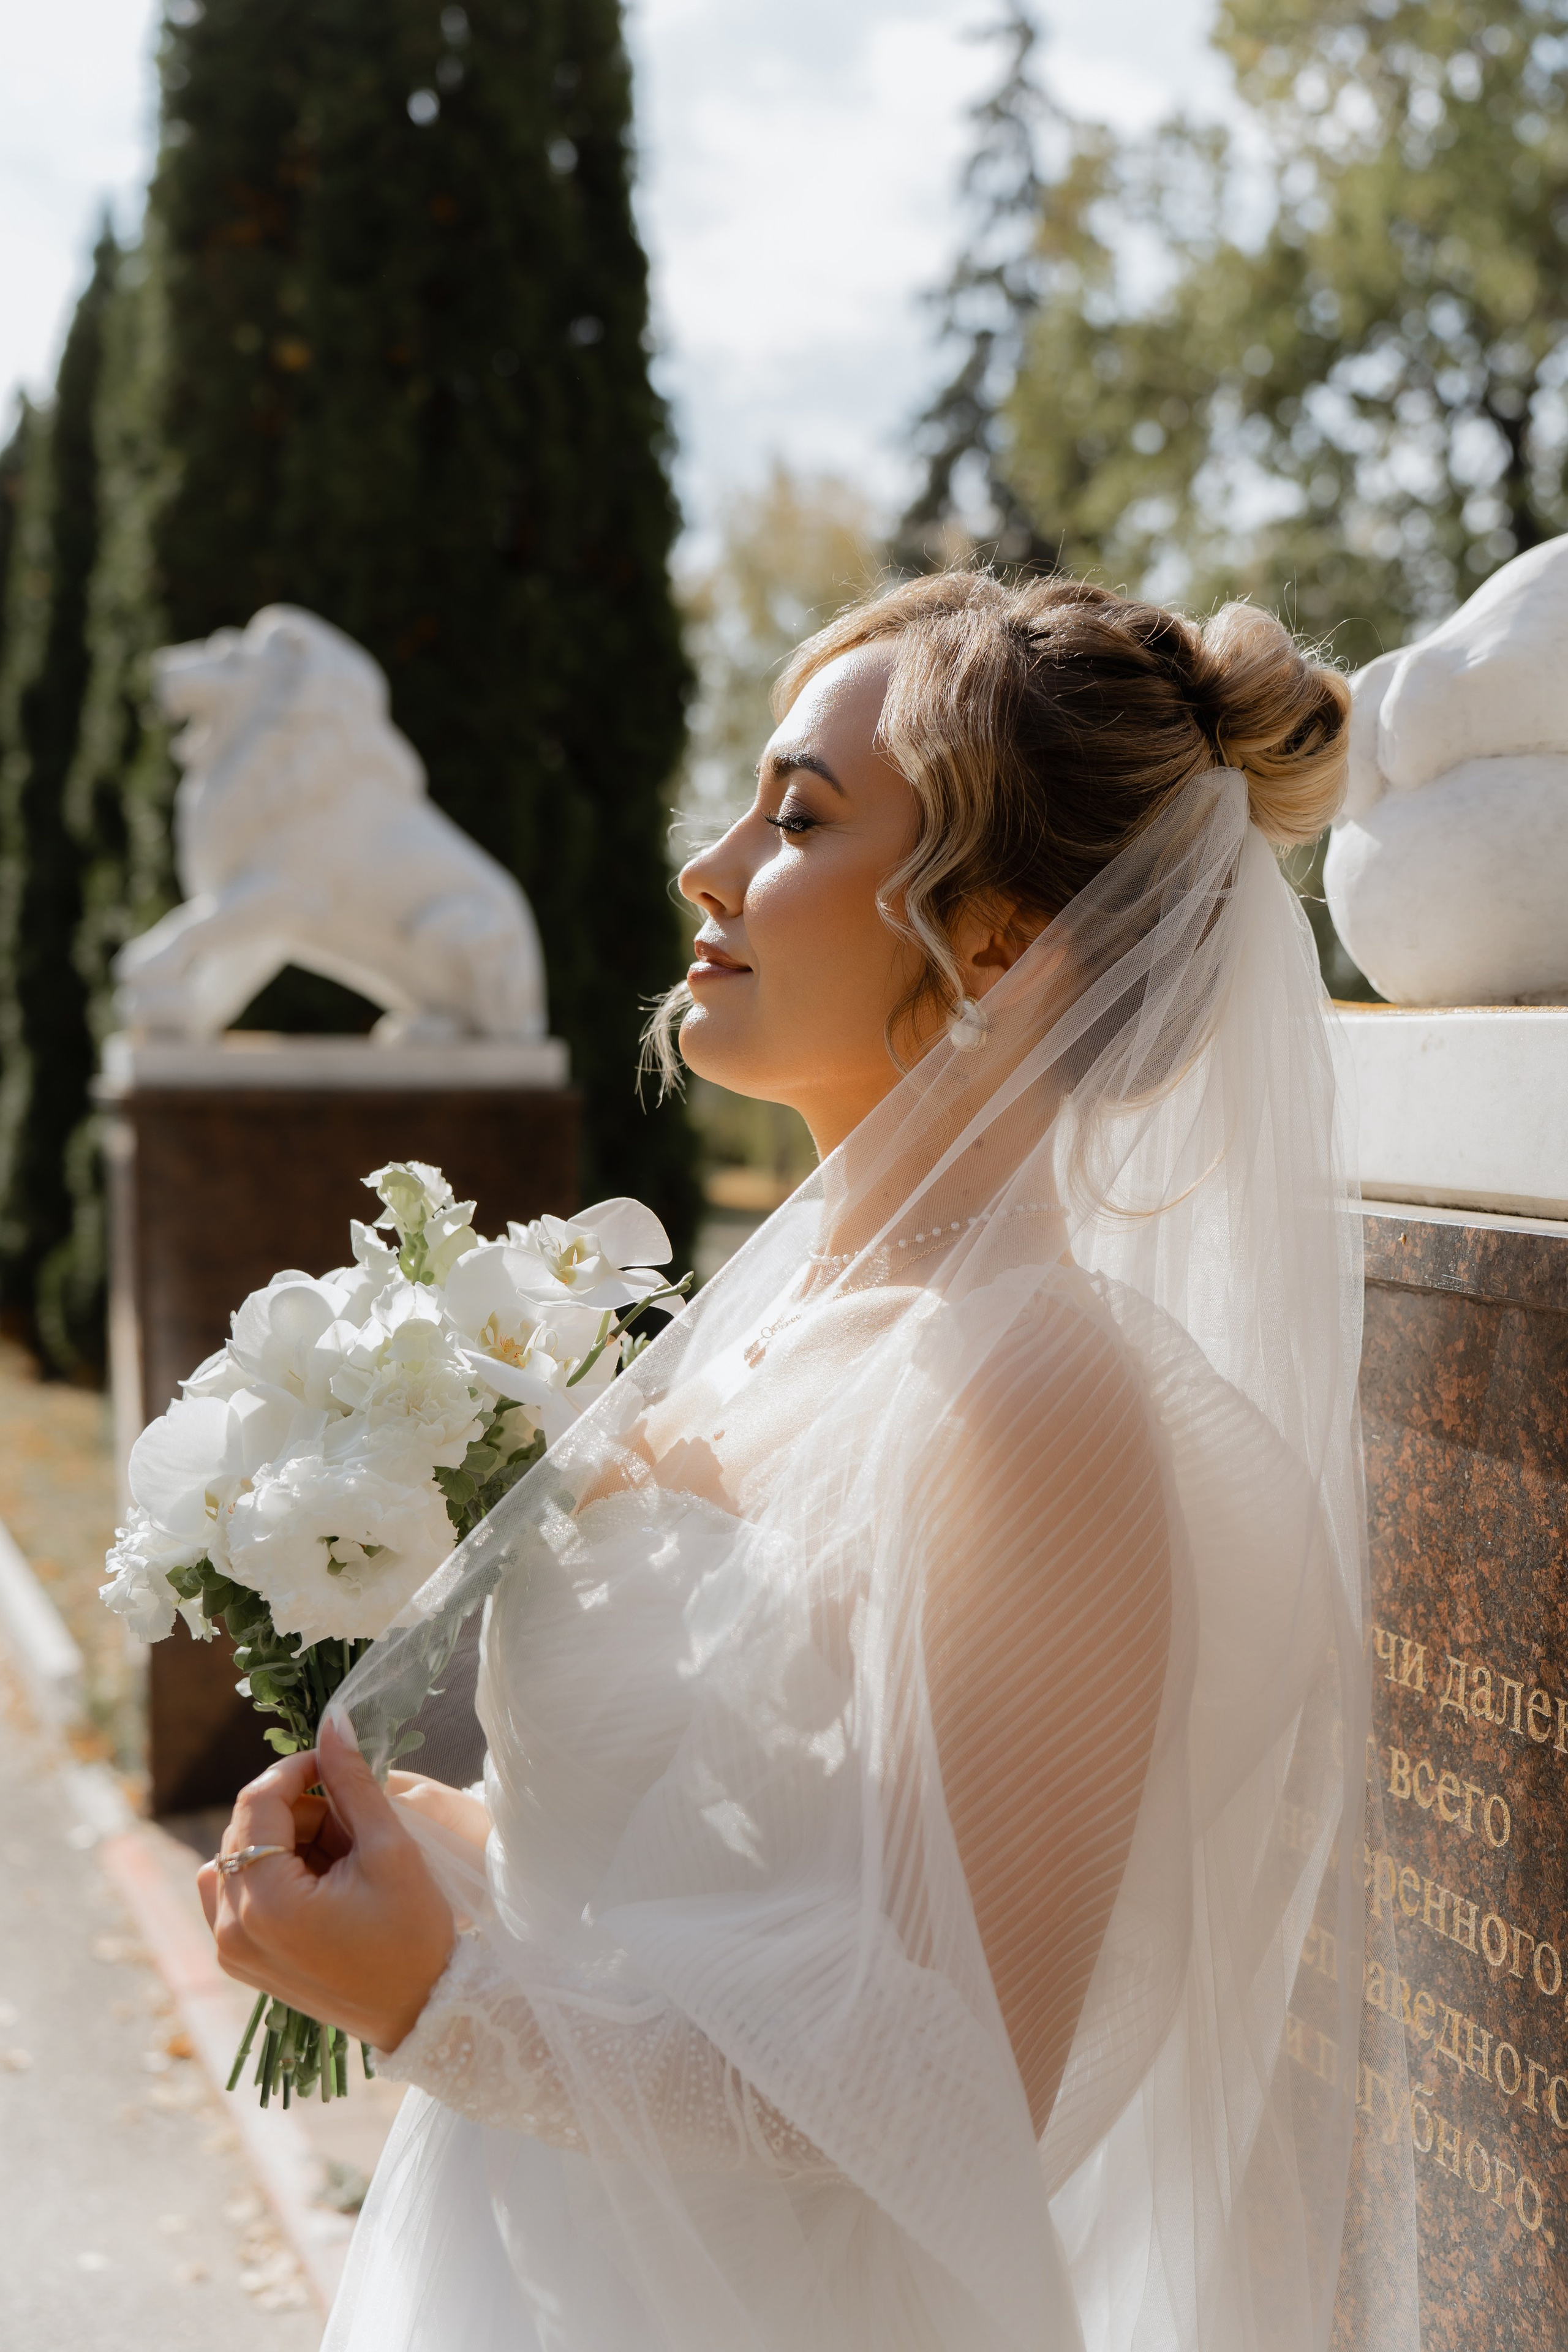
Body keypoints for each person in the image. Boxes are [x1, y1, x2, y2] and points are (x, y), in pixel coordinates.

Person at [198, 571, 1419, 2352]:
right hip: (533, 2255)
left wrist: (443, 2001)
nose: (707, 868)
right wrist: (428, 1858)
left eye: (797, 818)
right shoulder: (769, 1319)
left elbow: (950, 2082)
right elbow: (701, 1859)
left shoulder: (1032, 1393)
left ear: (996, 943)